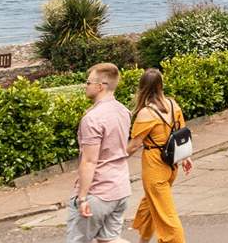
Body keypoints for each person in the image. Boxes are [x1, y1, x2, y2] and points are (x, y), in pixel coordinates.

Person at [68, 63, 131, 243]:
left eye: (88, 82)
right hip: (120, 187)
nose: (85, 86)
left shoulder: (92, 119)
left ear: (100, 86)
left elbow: (89, 161)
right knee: (108, 240)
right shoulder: (123, 111)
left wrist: (82, 198)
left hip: (98, 191)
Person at [128, 69, 192, 243]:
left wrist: (111, 158)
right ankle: (144, 239)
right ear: (161, 85)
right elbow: (181, 134)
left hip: (154, 168)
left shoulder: (146, 114)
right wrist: (186, 157)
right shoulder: (173, 105)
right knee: (151, 204)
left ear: (142, 88)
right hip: (171, 166)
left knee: (167, 217)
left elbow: (134, 145)